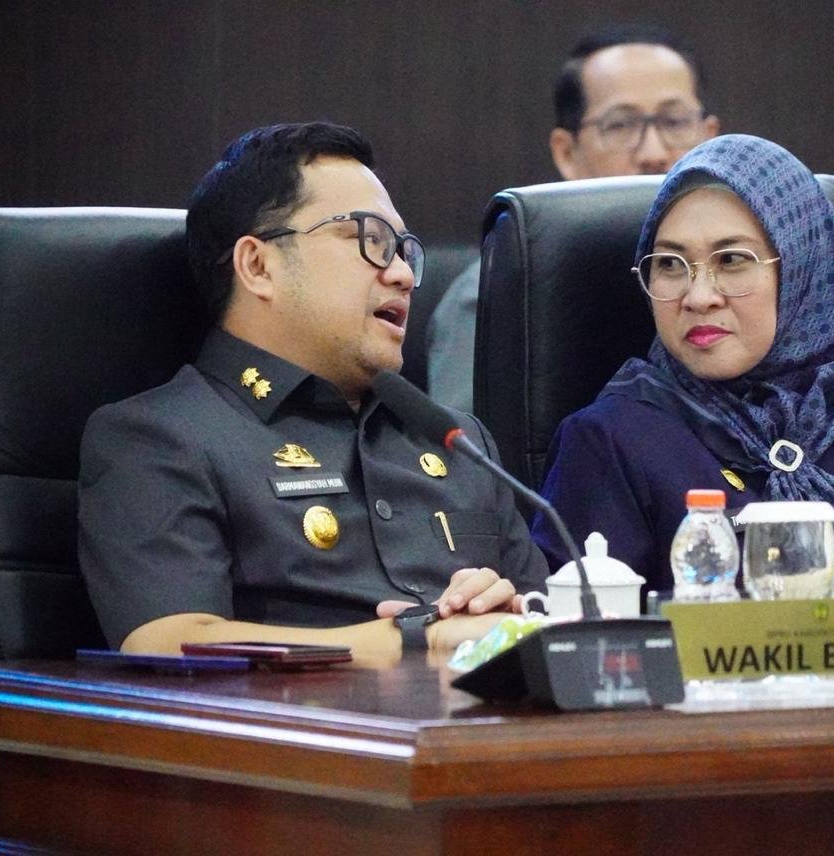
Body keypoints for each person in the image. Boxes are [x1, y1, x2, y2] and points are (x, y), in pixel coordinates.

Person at [78, 122, 547, 659]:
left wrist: (508, 616)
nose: (402, 275)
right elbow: (167, 642)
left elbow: (549, 622)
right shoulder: (157, 438)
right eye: (370, 240)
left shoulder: (458, 442)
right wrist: (418, 640)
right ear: (258, 266)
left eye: (402, 250)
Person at [531, 134, 834, 593]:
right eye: (670, 264)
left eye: (732, 260)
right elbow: (585, 628)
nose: (698, 297)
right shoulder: (610, 442)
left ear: (801, 269)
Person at [426, 23, 719, 412]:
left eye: (674, 122)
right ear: (566, 152)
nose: (654, 153)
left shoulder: (747, 276)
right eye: (621, 125)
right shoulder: (501, 292)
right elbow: (467, 445)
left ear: (710, 138)